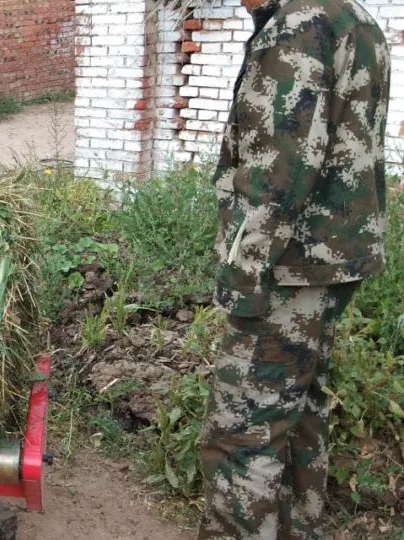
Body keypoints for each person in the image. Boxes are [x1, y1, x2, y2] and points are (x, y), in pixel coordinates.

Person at [198, 0, 391, 537]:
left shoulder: (297, 27)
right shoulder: (352, 16)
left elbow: (278, 174)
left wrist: (242, 276)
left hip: (289, 264)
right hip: (332, 258)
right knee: (300, 414)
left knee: (241, 432)